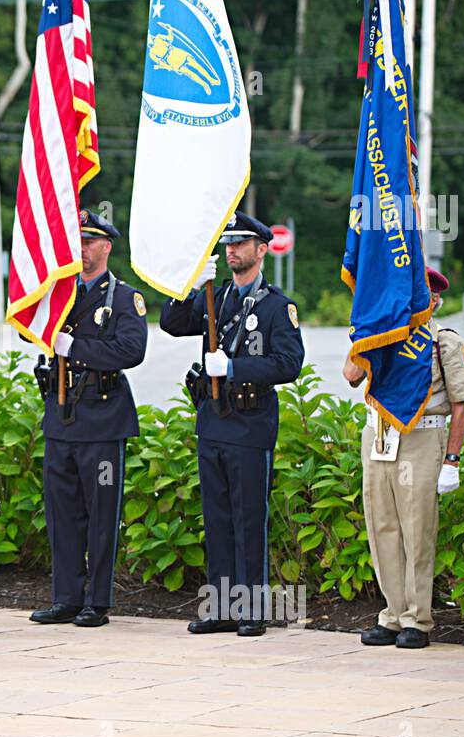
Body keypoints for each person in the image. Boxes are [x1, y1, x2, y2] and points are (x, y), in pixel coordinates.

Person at [160, 211, 304, 636]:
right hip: (213, 421)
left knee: (247, 518)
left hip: (250, 422)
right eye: (228, 244)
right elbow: (171, 323)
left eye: (241, 244)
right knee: (217, 517)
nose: (232, 251)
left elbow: (289, 363)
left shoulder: (278, 306)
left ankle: (251, 610)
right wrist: (188, 285)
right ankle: (220, 608)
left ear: (262, 250)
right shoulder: (215, 296)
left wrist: (236, 366)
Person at [28, 209, 148, 628]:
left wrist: (74, 346)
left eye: (89, 241)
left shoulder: (123, 298)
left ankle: (96, 601)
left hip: (102, 419)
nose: (80, 248)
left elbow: (130, 351)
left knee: (100, 514)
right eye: (75, 240)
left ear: (106, 247)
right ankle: (65, 596)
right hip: (62, 419)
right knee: (62, 514)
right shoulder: (60, 294)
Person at [343, 267, 464, 649]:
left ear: (433, 300)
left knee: (417, 529)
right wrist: (369, 330)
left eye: (424, 294)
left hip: (421, 434)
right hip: (379, 434)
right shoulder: (381, 332)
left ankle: (418, 617)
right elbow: (351, 375)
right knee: (381, 524)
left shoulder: (442, 341)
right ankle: (392, 614)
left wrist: (452, 458)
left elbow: (461, 402)